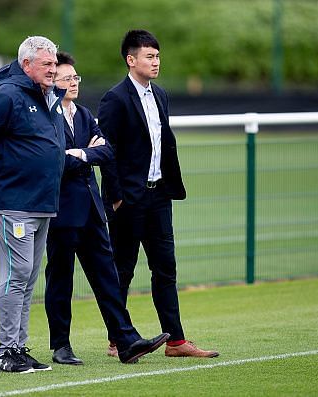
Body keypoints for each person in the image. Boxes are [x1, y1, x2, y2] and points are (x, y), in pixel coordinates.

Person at [98, 30, 219, 358]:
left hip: (158, 197)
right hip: (128, 200)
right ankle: (118, 338)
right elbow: (106, 152)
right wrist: (116, 197)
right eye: (149, 56)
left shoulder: (160, 95)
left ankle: (176, 341)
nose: (156, 62)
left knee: (166, 268)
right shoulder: (115, 99)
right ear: (131, 59)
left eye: (157, 56)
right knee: (122, 268)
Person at [44, 51, 170, 366]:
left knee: (108, 278)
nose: (73, 83)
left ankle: (126, 341)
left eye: (75, 78)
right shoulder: (46, 117)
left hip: (91, 210)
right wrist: (87, 153)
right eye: (66, 78)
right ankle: (61, 345)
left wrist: (80, 154)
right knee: (61, 279)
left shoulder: (84, 115)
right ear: (51, 83)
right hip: (60, 211)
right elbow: (53, 160)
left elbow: (108, 151)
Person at [0, 36, 64, 374]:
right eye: (47, 64)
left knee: (28, 279)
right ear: (27, 65)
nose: (53, 70)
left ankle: (18, 347)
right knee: (17, 274)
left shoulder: (49, 97)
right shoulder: (7, 97)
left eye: (55, 65)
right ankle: (6, 350)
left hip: (42, 202)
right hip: (13, 202)